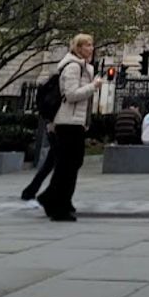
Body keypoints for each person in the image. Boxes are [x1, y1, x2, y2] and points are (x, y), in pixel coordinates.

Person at [37, 33, 101, 222]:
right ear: (78, 48)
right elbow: (71, 95)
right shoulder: (73, 67)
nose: (91, 48)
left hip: (75, 122)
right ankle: (59, 206)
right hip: (67, 122)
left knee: (71, 164)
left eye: (92, 44)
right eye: (87, 45)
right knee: (68, 165)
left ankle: (53, 198)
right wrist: (93, 86)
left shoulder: (83, 67)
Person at [21, 83, 58, 201]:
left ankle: (32, 191)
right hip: (58, 127)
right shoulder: (63, 83)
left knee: (52, 163)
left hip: (55, 126)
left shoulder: (56, 83)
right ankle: (44, 194)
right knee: (60, 163)